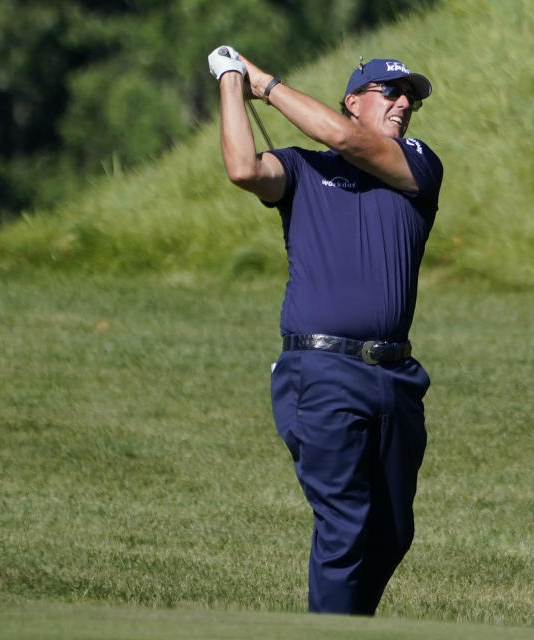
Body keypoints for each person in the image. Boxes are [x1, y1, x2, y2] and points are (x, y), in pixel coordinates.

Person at [207, 45, 444, 616]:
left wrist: (267, 85)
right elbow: (243, 168)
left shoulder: (416, 163)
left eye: (409, 94)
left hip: (395, 376)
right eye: (390, 92)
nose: (404, 102)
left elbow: (347, 141)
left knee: (391, 532)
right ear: (353, 101)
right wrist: (233, 82)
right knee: (345, 525)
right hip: (322, 371)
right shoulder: (301, 169)